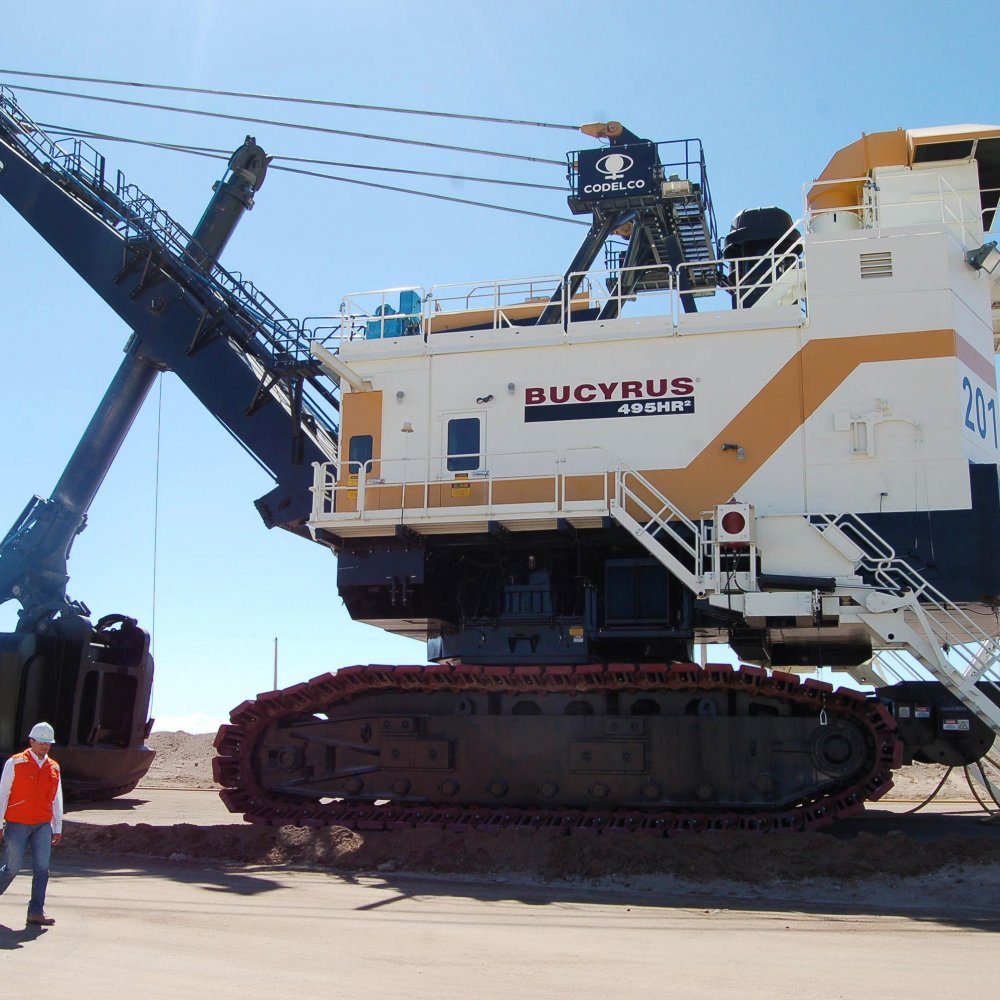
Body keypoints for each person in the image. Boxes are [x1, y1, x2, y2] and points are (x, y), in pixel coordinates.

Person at [0, 721, 63, 927]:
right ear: (31, 741)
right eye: (41, 742)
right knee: (12, 868)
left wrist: (57, 827)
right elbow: (3, 794)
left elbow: (56, 798)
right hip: (17, 823)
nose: (45, 746)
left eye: (48, 743)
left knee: (42, 869)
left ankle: (36, 912)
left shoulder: (54, 767)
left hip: (42, 824)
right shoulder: (15, 763)